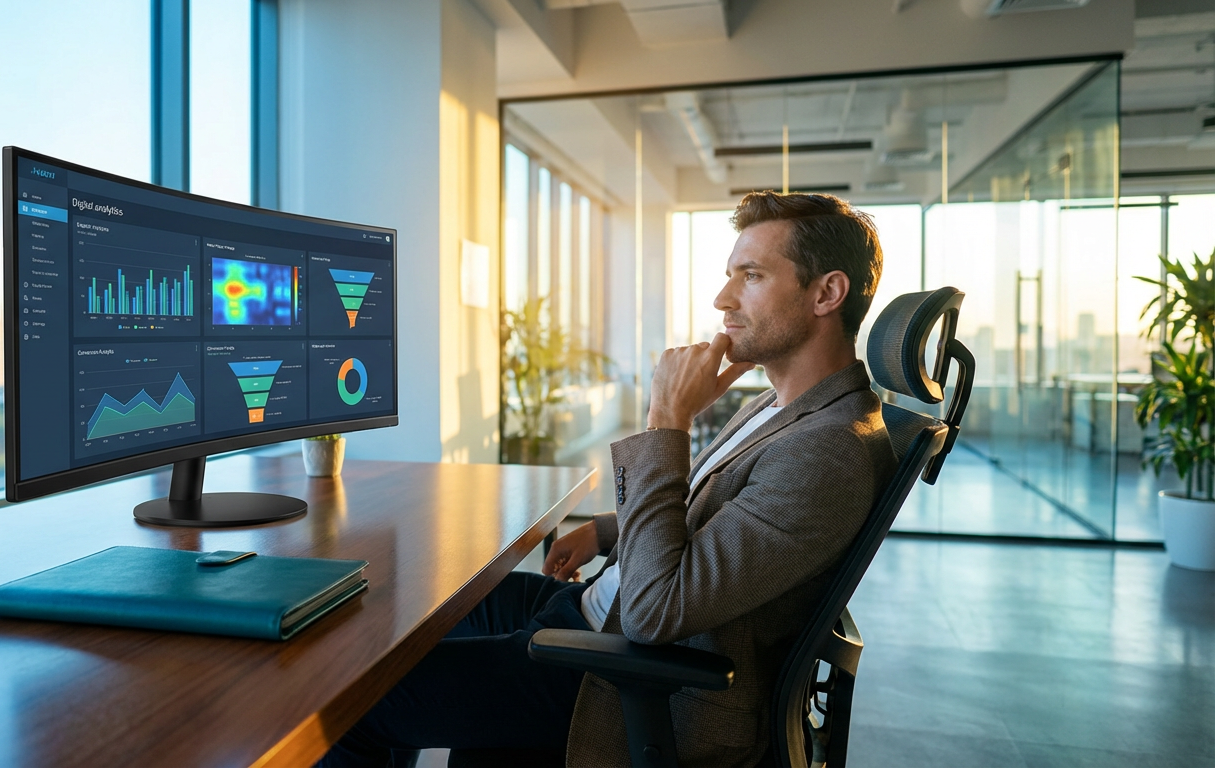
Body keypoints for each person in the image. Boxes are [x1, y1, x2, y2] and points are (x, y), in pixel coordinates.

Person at [319, 191, 897, 768]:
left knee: (352, 703)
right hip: (599, 610)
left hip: (627, 673)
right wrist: (604, 529)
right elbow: (705, 519)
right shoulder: (780, 406)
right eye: (730, 275)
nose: (723, 298)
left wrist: (665, 421)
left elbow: (655, 612)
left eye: (751, 275)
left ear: (827, 293)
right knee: (423, 617)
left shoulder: (828, 451)